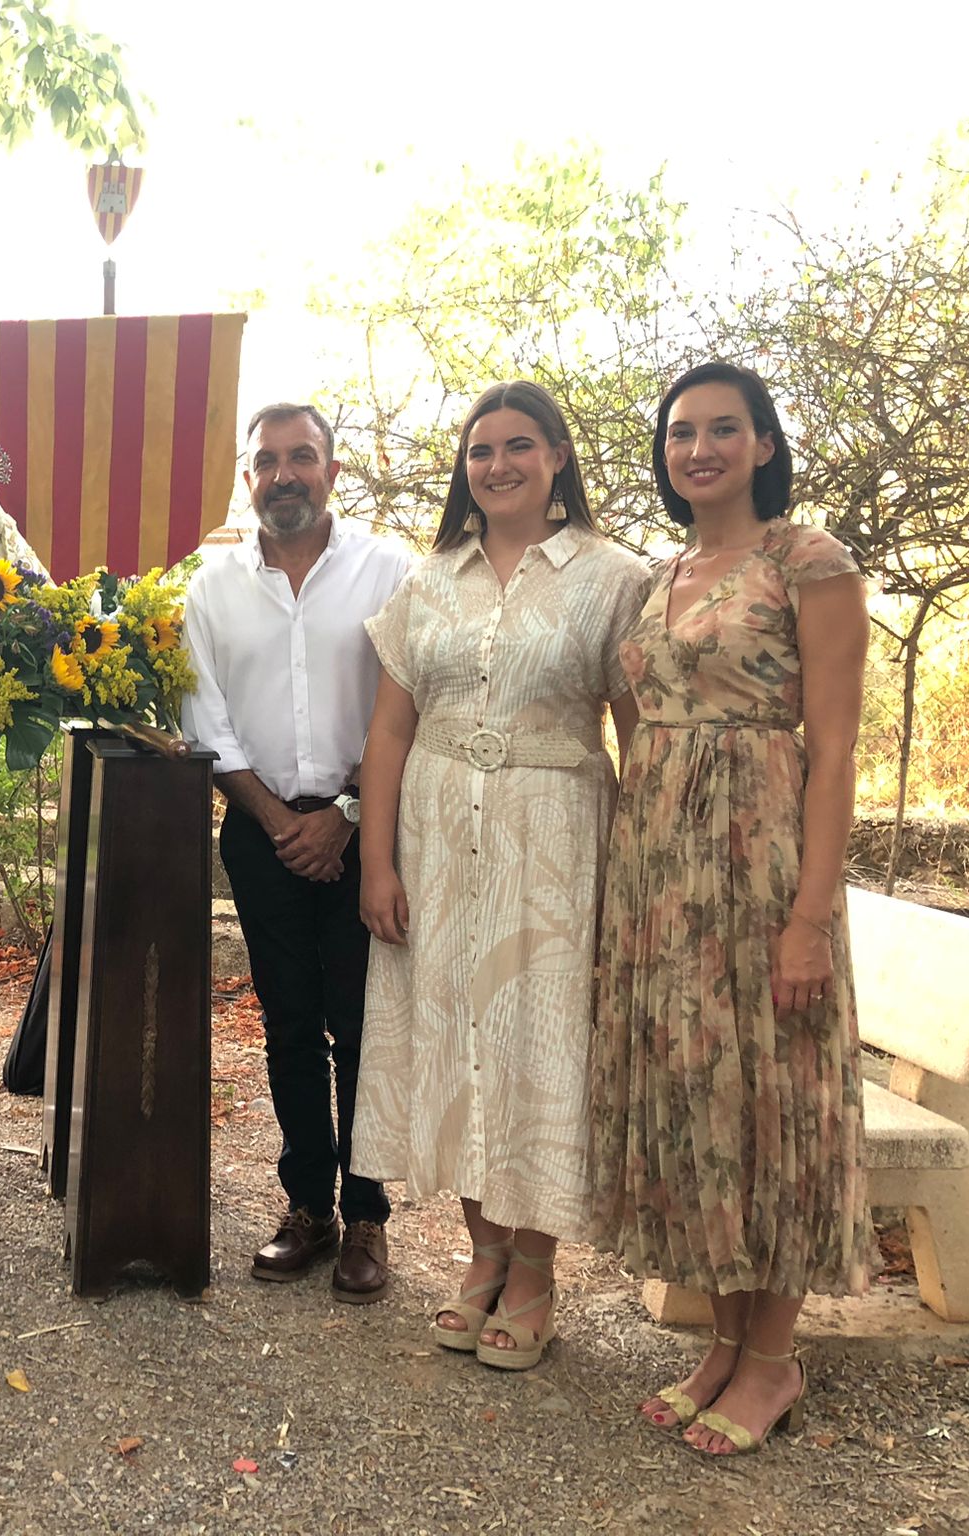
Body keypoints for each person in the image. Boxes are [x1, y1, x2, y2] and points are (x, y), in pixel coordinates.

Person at [590, 361, 872, 1455]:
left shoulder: (805, 560)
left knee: (771, 1101)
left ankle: (771, 1360)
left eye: (721, 429)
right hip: (661, 877)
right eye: (678, 433)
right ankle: (719, 1341)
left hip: (759, 870)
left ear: (761, 444)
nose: (696, 448)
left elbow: (836, 749)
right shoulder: (658, 573)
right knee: (697, 1102)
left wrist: (810, 915)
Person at [350, 381, 651, 1369]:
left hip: (554, 845)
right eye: (480, 451)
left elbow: (637, 732)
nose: (497, 465)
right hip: (436, 848)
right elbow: (388, 730)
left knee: (537, 1046)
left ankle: (533, 1269)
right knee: (458, 1045)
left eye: (518, 446)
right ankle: (479, 1257)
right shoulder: (429, 580)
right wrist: (375, 861)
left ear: (557, 456)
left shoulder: (615, 579)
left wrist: (641, 867)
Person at [182, 401, 412, 1301]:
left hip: (371, 827)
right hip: (259, 830)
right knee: (286, 1023)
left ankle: (367, 1217)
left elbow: (408, 703)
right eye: (268, 461)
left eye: (303, 457)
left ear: (333, 470)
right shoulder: (211, 588)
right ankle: (306, 1207)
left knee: (360, 1026)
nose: (285, 474)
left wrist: (348, 812)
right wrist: (280, 822)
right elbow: (206, 720)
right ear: (248, 478)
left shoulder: (390, 570)